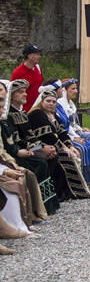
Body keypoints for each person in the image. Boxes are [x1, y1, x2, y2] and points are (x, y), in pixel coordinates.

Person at [3, 79, 58, 217]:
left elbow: (30, 135)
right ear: (12, 95)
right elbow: (16, 141)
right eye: (21, 92)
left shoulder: (22, 113)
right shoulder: (8, 115)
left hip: (27, 148)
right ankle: (38, 206)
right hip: (16, 152)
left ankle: (50, 203)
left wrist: (44, 147)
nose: (25, 94)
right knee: (40, 162)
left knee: (50, 155)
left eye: (25, 91)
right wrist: (39, 149)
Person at [28, 89, 90, 199]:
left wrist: (70, 146)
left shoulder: (53, 115)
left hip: (52, 145)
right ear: (41, 101)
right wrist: (64, 148)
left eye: (54, 102)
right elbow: (48, 136)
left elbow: (63, 133)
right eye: (48, 101)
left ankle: (73, 190)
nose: (51, 104)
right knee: (66, 157)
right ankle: (67, 192)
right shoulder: (37, 113)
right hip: (38, 146)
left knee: (74, 152)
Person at [58, 79, 90, 183]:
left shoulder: (70, 103)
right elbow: (66, 125)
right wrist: (75, 137)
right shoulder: (61, 104)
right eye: (73, 89)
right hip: (68, 134)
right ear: (65, 91)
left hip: (74, 131)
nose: (76, 91)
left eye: (76, 88)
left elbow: (74, 123)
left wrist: (81, 128)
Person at [11, 45, 44, 112]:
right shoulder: (18, 73)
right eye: (37, 54)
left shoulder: (38, 68)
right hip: (26, 110)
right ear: (29, 56)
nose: (39, 57)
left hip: (38, 108)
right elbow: (13, 92)